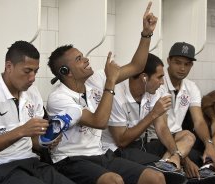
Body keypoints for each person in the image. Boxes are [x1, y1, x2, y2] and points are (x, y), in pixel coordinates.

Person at [46, 2, 168, 184]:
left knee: (155, 177)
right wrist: (110, 81)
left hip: (100, 153)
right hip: (70, 159)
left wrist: (146, 33)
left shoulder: (94, 79)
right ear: (66, 72)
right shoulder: (58, 98)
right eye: (79, 59)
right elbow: (99, 122)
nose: (86, 60)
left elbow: (137, 66)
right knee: (114, 181)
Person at [0, 41, 76, 184]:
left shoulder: (33, 93)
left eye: (35, 72)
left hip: (30, 161)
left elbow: (34, 142)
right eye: (27, 71)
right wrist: (22, 131)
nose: (32, 78)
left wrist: (47, 141)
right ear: (9, 67)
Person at [101, 53, 195, 184]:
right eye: (159, 77)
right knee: (167, 177)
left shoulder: (156, 91)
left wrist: (178, 156)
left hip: (142, 145)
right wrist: (153, 114)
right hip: (118, 151)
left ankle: (169, 165)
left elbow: (162, 128)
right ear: (144, 78)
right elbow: (121, 141)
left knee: (188, 136)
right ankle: (166, 168)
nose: (162, 82)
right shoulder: (117, 95)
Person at [162, 41, 215, 183]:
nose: (182, 68)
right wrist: (186, 160)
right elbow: (161, 128)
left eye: (187, 64)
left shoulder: (191, 87)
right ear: (168, 61)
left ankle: (208, 164)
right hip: (162, 139)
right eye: (178, 62)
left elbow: (199, 121)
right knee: (188, 136)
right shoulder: (159, 82)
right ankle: (172, 164)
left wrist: (209, 144)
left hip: (183, 138)